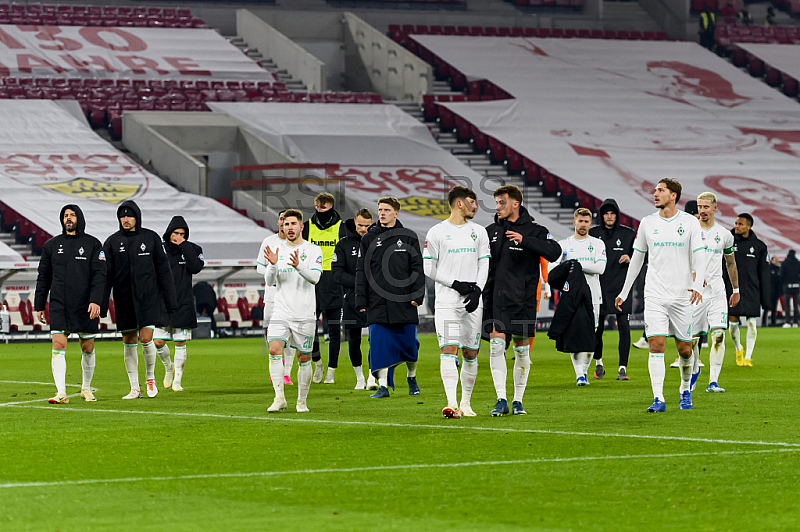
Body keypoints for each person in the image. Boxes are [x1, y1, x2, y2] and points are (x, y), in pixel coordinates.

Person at [615, 179, 707, 412]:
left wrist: (697, 284)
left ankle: (685, 389)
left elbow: (699, 256)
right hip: (655, 293)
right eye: (655, 190)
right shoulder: (647, 223)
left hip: (682, 295)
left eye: (661, 190)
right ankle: (658, 398)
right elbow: (637, 258)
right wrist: (624, 291)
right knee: (656, 344)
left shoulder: (689, 223)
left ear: (674, 195)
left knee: (685, 350)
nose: (655, 193)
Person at [484, 185, 562, 416]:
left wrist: (524, 240)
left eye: (502, 202)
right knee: (496, 347)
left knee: (521, 352)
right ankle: (501, 399)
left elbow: (555, 251)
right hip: (496, 300)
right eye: (496, 203)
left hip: (523, 300)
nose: (497, 207)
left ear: (515, 204)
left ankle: (518, 400)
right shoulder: (490, 231)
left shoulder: (536, 230)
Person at [424, 186, 490, 418]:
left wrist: (477, 291)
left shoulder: (479, 232)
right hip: (447, 303)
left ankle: (467, 403)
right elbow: (428, 268)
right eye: (473, 201)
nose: (476, 206)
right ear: (460, 203)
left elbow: (484, 264)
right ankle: (452, 403)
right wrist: (456, 284)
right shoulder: (436, 232)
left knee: (471, 353)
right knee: (449, 349)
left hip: (472, 303)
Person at [102, 200, 178, 399]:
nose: (126, 219)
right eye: (122, 216)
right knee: (128, 341)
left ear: (137, 217)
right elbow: (106, 275)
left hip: (148, 298)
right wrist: (102, 305)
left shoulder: (151, 238)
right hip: (124, 299)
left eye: (129, 216)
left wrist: (171, 302)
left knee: (146, 338)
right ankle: (134, 387)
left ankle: (150, 378)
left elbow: (164, 271)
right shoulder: (111, 242)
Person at [34, 205, 106, 404]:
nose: (68, 218)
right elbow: (43, 277)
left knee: (88, 348)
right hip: (59, 304)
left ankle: (86, 388)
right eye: (65, 216)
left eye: (72, 215)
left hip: (85, 304)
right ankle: (61, 393)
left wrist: (96, 300)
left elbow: (100, 275)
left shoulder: (93, 244)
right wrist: (39, 305)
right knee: (58, 345)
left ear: (79, 218)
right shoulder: (51, 245)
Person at [355, 197, 425, 399]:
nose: (382, 213)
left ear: (396, 213)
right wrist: (361, 300)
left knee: (410, 346)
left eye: (386, 209)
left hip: (404, 301)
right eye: (380, 209)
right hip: (377, 302)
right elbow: (362, 272)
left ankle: (411, 377)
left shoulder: (409, 236)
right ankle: (383, 386)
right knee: (379, 345)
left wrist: (417, 295)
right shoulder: (368, 238)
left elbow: (417, 268)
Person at [263, 209, 323, 412]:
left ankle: (301, 401)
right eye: (286, 224)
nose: (289, 227)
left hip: (304, 313)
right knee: (273, 349)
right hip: (281, 311)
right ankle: (279, 397)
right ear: (282, 226)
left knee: (304, 358)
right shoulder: (276, 249)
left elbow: (315, 278)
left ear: (301, 226)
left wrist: (298, 266)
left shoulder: (314, 250)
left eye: (293, 224)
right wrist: (272, 265)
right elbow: (270, 282)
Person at [550, 208, 606, 386]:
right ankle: (580, 375)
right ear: (574, 222)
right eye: (580, 221)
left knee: (592, 335)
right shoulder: (564, 245)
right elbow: (553, 270)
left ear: (590, 223)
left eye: (586, 221)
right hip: (573, 297)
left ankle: (585, 371)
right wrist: (566, 281)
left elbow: (600, 268)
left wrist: (575, 264)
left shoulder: (598, 244)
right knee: (575, 334)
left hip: (594, 295)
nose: (583, 225)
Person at [691, 192, 739, 394]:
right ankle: (693, 372)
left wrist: (735, 289)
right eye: (699, 207)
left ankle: (713, 381)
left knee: (718, 336)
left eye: (705, 207)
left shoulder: (725, 234)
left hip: (717, 292)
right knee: (692, 341)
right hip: (695, 293)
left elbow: (730, 262)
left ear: (714, 207)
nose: (702, 211)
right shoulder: (689, 232)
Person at [153, 216, 204, 392]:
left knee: (180, 343)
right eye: (176, 233)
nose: (179, 237)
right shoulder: (159, 249)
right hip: (162, 303)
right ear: (169, 233)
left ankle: (177, 382)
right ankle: (169, 367)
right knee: (158, 341)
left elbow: (195, 267)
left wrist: (184, 246)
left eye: (183, 234)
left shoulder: (193, 249)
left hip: (183, 303)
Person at [302, 193, 347, 384]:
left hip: (334, 279)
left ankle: (331, 370)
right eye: (317, 206)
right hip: (312, 279)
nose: (319, 210)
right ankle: (318, 362)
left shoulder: (341, 227)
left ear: (331, 206)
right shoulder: (307, 226)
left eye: (323, 206)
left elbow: (345, 254)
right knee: (309, 327)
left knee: (335, 329)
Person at [589, 198, 636, 381]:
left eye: (612, 213)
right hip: (599, 288)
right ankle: (598, 363)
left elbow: (642, 255)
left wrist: (630, 257)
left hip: (621, 288)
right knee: (597, 329)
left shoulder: (628, 234)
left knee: (624, 328)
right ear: (602, 215)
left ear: (617, 215)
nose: (609, 216)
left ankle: (622, 368)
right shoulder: (593, 234)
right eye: (606, 213)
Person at [331, 208, 374, 390]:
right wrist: (360, 282)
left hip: (374, 299)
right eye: (360, 225)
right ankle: (359, 378)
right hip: (351, 300)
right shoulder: (343, 245)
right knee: (354, 339)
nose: (363, 229)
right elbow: (337, 273)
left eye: (367, 226)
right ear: (354, 223)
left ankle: (372, 376)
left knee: (375, 338)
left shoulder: (377, 242)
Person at [725, 213, 769, 367]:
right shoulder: (727, 242)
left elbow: (764, 272)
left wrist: (766, 299)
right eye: (736, 223)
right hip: (732, 290)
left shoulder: (759, 246)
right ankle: (738, 348)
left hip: (752, 290)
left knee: (751, 324)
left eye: (740, 224)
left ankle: (748, 356)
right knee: (733, 324)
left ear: (749, 226)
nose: (736, 226)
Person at [257, 211, 295, 385]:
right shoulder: (268, 241)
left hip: (291, 296)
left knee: (291, 334)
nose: (283, 223)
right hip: (272, 295)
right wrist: (274, 273)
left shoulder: (298, 245)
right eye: (281, 220)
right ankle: (276, 358)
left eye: (287, 221)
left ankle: (285, 372)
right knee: (268, 329)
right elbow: (259, 268)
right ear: (278, 222)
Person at [780, 250, 800, 328]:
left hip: (787, 286)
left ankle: (787, 322)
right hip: (796, 286)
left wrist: (783, 284)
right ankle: (795, 322)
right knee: (796, 306)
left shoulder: (785, 263)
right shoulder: (798, 263)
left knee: (787, 306)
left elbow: (781, 276)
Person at [764, 256, 781, 327]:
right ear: (772, 261)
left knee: (774, 308)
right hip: (769, 292)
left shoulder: (779, 270)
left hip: (775, 292)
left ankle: (773, 322)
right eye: (775, 260)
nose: (777, 261)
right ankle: (764, 322)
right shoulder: (769, 269)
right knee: (767, 308)